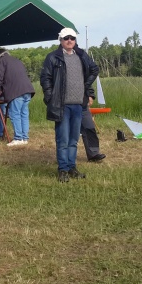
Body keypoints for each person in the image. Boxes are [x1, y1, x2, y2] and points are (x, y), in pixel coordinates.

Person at [40, 28, 100, 182]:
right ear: (60, 40)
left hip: (78, 105)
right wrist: (49, 96)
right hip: (62, 105)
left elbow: (94, 69)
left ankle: (72, 167)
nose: (69, 41)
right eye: (66, 38)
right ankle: (63, 169)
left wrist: (85, 87)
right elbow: (45, 78)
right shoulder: (53, 57)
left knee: (74, 139)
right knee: (63, 139)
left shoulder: (81, 55)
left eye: (72, 38)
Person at [0, 48, 35, 146]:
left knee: (15, 114)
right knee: (24, 114)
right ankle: (24, 138)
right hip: (27, 90)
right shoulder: (17, 60)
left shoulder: (0, 61)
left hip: (16, 91)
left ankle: (18, 138)